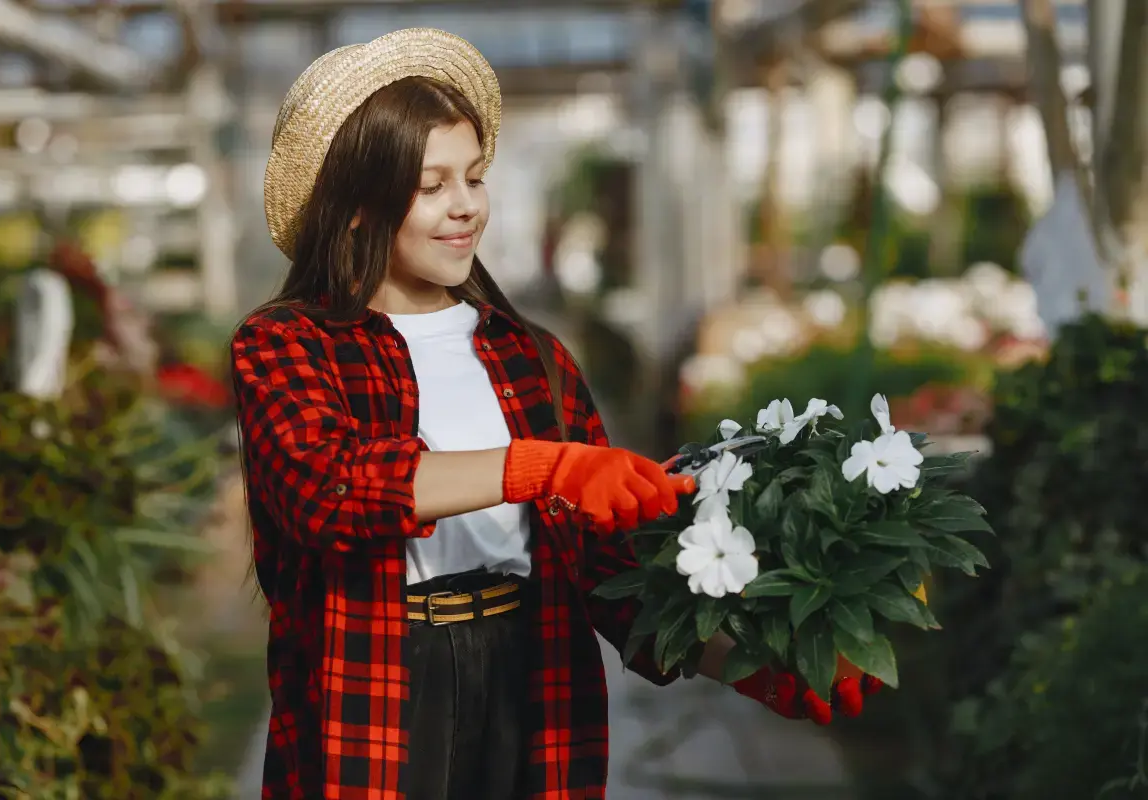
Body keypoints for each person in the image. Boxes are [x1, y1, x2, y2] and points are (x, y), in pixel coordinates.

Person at [231, 28, 871, 800]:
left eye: (474, 178)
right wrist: (540, 467)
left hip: (530, 674)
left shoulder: (530, 357)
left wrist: (756, 662)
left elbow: (608, 575)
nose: (466, 207)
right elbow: (325, 487)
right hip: (375, 684)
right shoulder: (286, 345)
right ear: (359, 204)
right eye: (431, 186)